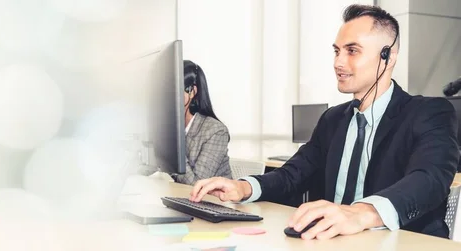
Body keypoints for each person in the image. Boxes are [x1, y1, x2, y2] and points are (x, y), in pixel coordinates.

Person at [189, 4, 459, 240]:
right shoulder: (333, 120)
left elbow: (429, 179)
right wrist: (243, 187)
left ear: (388, 57)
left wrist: (362, 214)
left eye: (352, 51)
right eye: (336, 51)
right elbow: (291, 175)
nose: (338, 62)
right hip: (332, 241)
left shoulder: (429, 112)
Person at [171, 60, 232, 185]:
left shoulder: (216, 131)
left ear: (192, 91)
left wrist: (171, 150)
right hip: (181, 198)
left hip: (214, 201)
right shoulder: (171, 126)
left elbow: (196, 184)